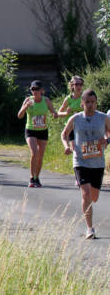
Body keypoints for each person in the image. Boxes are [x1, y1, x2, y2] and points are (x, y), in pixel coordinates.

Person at [61, 89, 110, 239]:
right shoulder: (76, 118)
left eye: (92, 102)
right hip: (80, 161)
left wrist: (106, 140)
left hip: (97, 162)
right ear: (82, 103)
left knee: (94, 197)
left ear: (96, 103)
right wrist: (67, 147)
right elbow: (64, 134)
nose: (90, 105)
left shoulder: (103, 118)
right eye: (87, 102)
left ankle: (90, 196)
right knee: (86, 193)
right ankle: (90, 228)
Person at [17, 80, 58, 187]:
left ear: (42, 91)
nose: (34, 91)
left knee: (40, 155)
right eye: (32, 89)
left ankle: (37, 177)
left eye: (36, 89)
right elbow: (19, 115)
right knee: (34, 152)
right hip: (30, 130)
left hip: (43, 131)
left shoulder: (46, 100)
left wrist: (54, 114)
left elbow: (53, 111)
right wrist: (25, 107)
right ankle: (31, 177)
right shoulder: (28, 100)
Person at [58, 76, 84, 143]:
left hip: (83, 126)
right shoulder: (68, 99)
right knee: (74, 149)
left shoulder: (85, 98)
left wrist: (85, 109)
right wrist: (66, 113)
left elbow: (92, 111)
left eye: (80, 84)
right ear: (72, 85)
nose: (79, 86)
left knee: (83, 149)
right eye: (76, 84)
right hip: (70, 127)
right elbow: (58, 113)